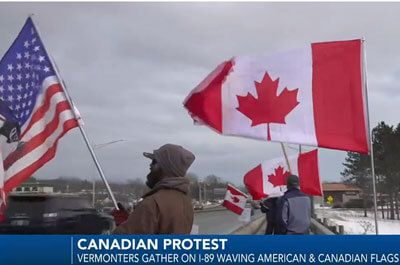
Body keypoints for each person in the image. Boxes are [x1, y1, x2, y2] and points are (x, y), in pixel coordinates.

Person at [112, 143, 195, 234]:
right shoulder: (185, 201)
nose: (150, 166)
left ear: (166, 168)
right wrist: (133, 220)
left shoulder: (152, 204)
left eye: (154, 162)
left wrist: (123, 224)